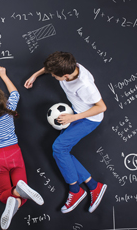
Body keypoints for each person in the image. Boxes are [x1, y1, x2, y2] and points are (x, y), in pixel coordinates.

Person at [24, 51, 107, 214]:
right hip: (77, 113)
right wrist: (35, 75)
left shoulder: (86, 86)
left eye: (55, 76)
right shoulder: (69, 65)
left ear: (66, 75)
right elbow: (50, 68)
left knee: (59, 149)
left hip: (89, 119)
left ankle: (75, 191)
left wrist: (73, 118)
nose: (53, 77)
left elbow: (101, 107)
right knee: (61, 150)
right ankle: (93, 187)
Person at [0, 66, 44, 230]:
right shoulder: (10, 108)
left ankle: (14, 195)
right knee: (23, 192)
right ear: (3, 102)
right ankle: (18, 192)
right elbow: (15, 93)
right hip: (14, 151)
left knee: (3, 195)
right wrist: (3, 75)